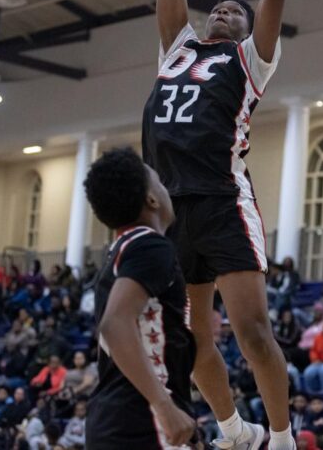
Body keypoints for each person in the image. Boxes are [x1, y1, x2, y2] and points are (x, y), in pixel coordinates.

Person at [143, 0, 294, 446]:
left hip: (223, 200)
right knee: (190, 339)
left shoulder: (251, 59)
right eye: (219, 9)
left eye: (235, 12)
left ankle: (281, 439)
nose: (223, 13)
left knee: (254, 334)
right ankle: (235, 430)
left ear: (246, 28)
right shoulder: (177, 49)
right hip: (172, 210)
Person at [83, 148, 197, 448]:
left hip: (114, 419)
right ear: (152, 199)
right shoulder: (150, 246)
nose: (166, 187)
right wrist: (164, 406)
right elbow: (114, 325)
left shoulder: (119, 253)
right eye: (159, 181)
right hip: (143, 420)